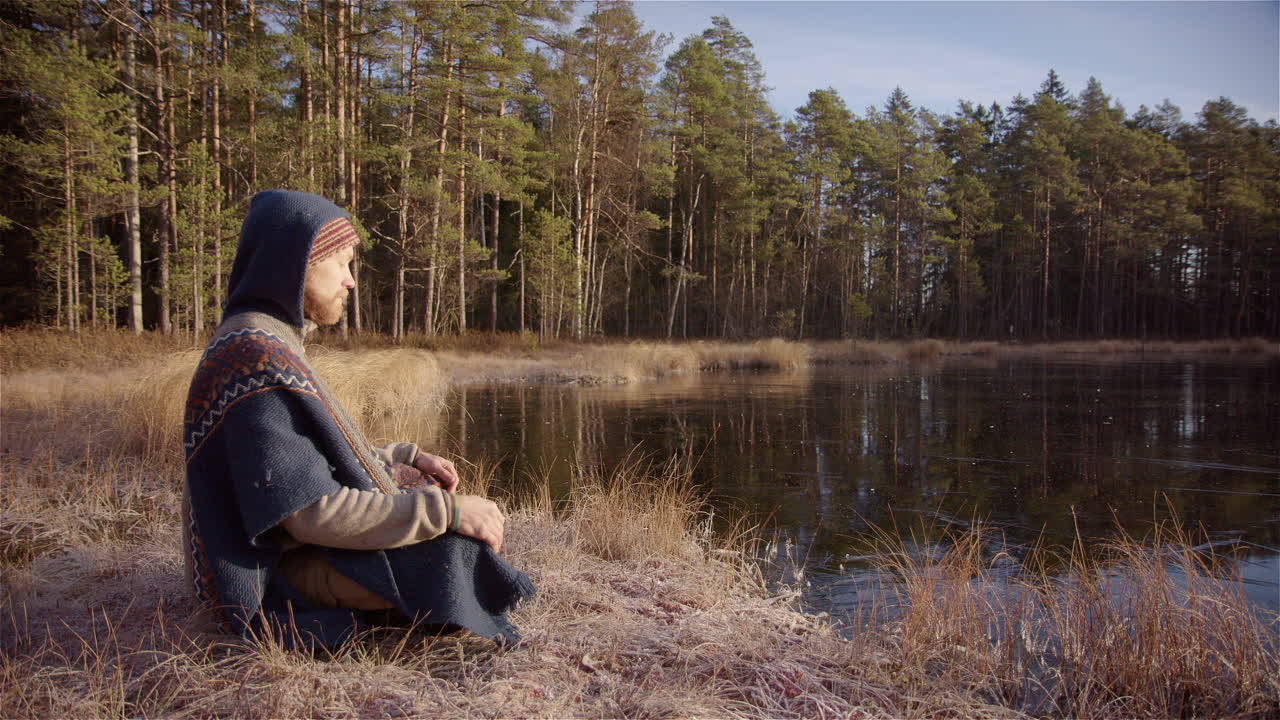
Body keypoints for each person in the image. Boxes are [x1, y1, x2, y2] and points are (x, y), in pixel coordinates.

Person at [182, 189, 532, 647]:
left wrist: (405, 456)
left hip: (284, 549)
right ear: (297, 261)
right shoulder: (257, 359)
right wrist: (449, 512)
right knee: (453, 552)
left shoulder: (260, 340)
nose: (350, 281)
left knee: (412, 483)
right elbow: (311, 514)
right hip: (268, 577)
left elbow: (307, 461)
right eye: (342, 262)